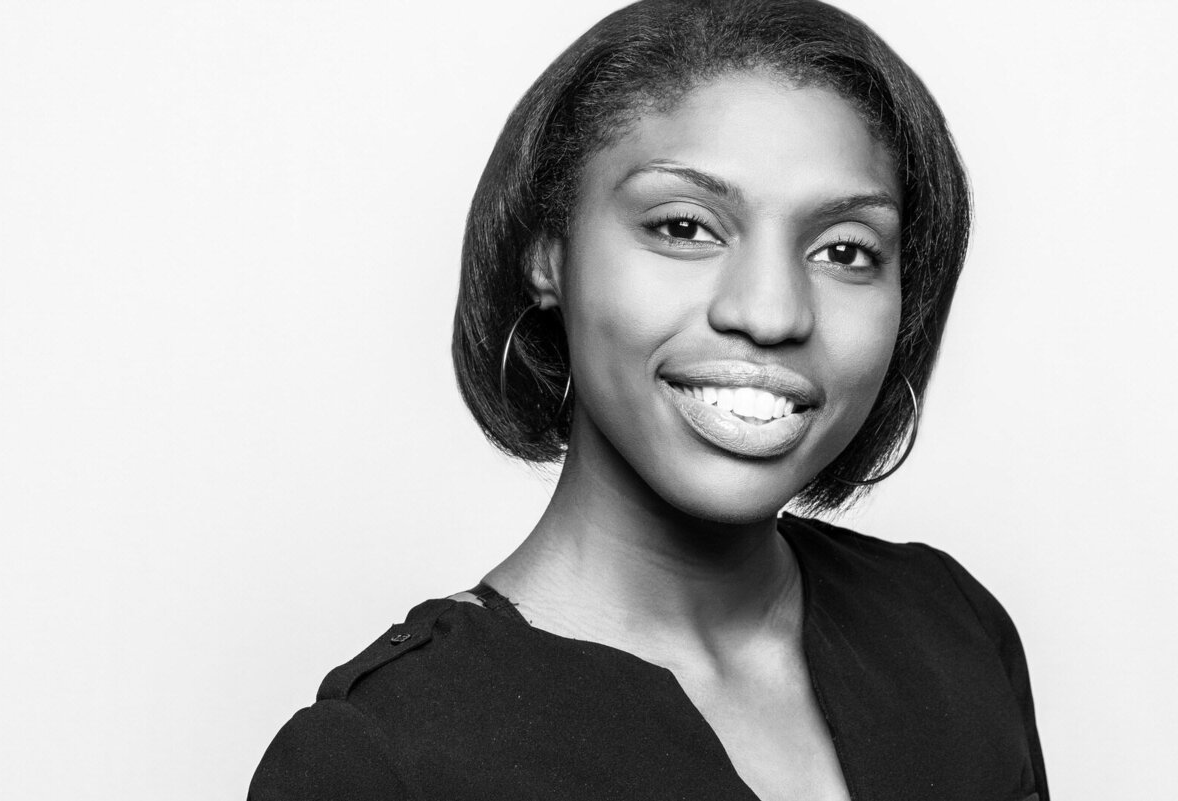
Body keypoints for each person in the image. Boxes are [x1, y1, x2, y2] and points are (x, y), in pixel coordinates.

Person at [249, 1, 1048, 798]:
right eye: (684, 227)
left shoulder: (951, 630)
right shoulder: (383, 762)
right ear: (548, 255)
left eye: (845, 249)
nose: (771, 312)